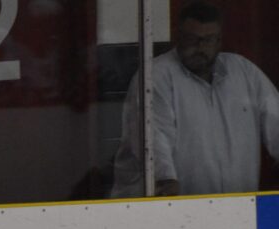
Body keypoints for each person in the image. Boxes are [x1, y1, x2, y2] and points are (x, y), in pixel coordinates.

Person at [111, 1, 279, 198]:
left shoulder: (245, 72)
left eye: (208, 40)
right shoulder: (155, 77)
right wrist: (167, 184)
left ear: (219, 41)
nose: (200, 48)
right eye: (192, 39)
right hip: (167, 208)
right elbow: (155, 140)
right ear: (178, 37)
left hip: (239, 209)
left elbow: (275, 119)